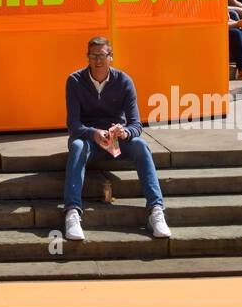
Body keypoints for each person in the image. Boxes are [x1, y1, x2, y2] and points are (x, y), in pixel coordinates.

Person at [62, 36, 170, 242]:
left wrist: (125, 132)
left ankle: (156, 209)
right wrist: (93, 132)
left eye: (102, 55)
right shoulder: (75, 81)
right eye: (93, 55)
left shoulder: (124, 81)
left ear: (111, 57)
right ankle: (72, 212)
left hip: (117, 140)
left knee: (140, 144)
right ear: (87, 57)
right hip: (89, 140)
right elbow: (73, 126)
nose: (98, 60)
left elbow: (136, 125)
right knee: (76, 146)